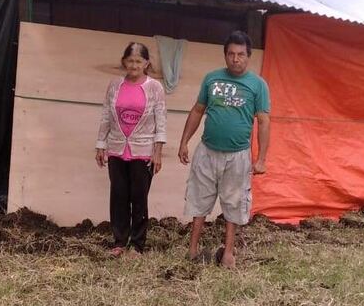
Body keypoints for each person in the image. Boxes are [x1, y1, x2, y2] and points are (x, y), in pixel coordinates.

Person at [178, 31, 270, 269]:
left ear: (248, 57)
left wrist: (261, 159)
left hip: (238, 155)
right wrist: (184, 141)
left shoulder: (258, 85)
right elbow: (198, 110)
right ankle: (193, 249)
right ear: (225, 55)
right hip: (207, 151)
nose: (235, 59)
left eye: (240, 54)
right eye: (231, 54)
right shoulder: (212, 79)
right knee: (199, 199)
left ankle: (228, 253)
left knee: (234, 202)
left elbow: (264, 121)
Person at [95, 42, 166, 255]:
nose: (134, 65)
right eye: (130, 61)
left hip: (143, 151)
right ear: (124, 61)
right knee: (118, 196)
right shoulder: (115, 85)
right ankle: (119, 241)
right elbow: (107, 114)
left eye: (138, 61)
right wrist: (101, 144)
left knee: (139, 196)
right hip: (117, 148)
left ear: (146, 63)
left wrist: (158, 152)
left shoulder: (154, 87)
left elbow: (160, 120)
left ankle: (137, 244)